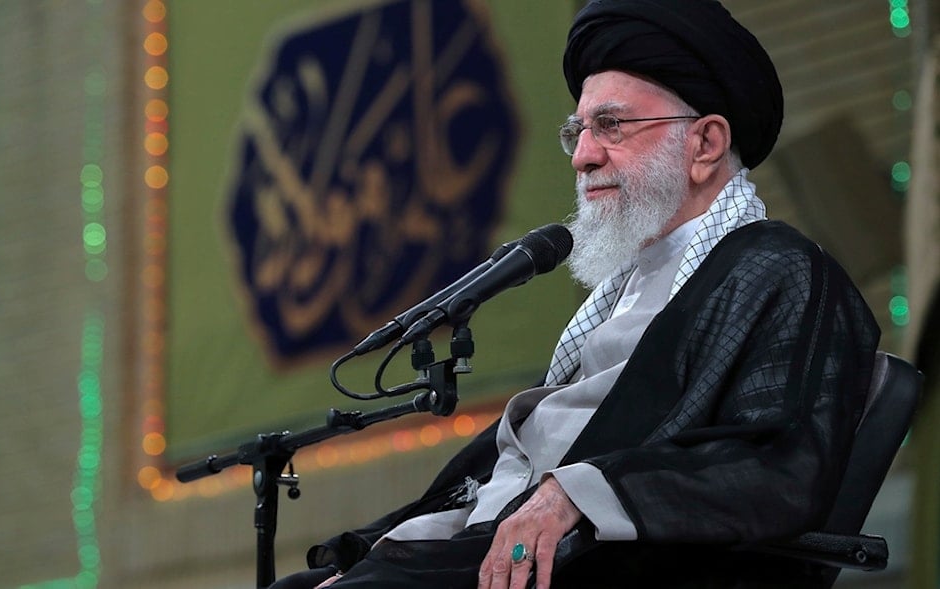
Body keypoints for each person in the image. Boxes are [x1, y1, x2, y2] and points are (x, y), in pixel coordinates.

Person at [271, 0, 880, 587]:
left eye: (612, 126)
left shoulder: (778, 270)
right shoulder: (620, 293)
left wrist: (574, 494)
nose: (583, 157)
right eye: (578, 131)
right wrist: (378, 545)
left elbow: (777, 469)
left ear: (706, 145)